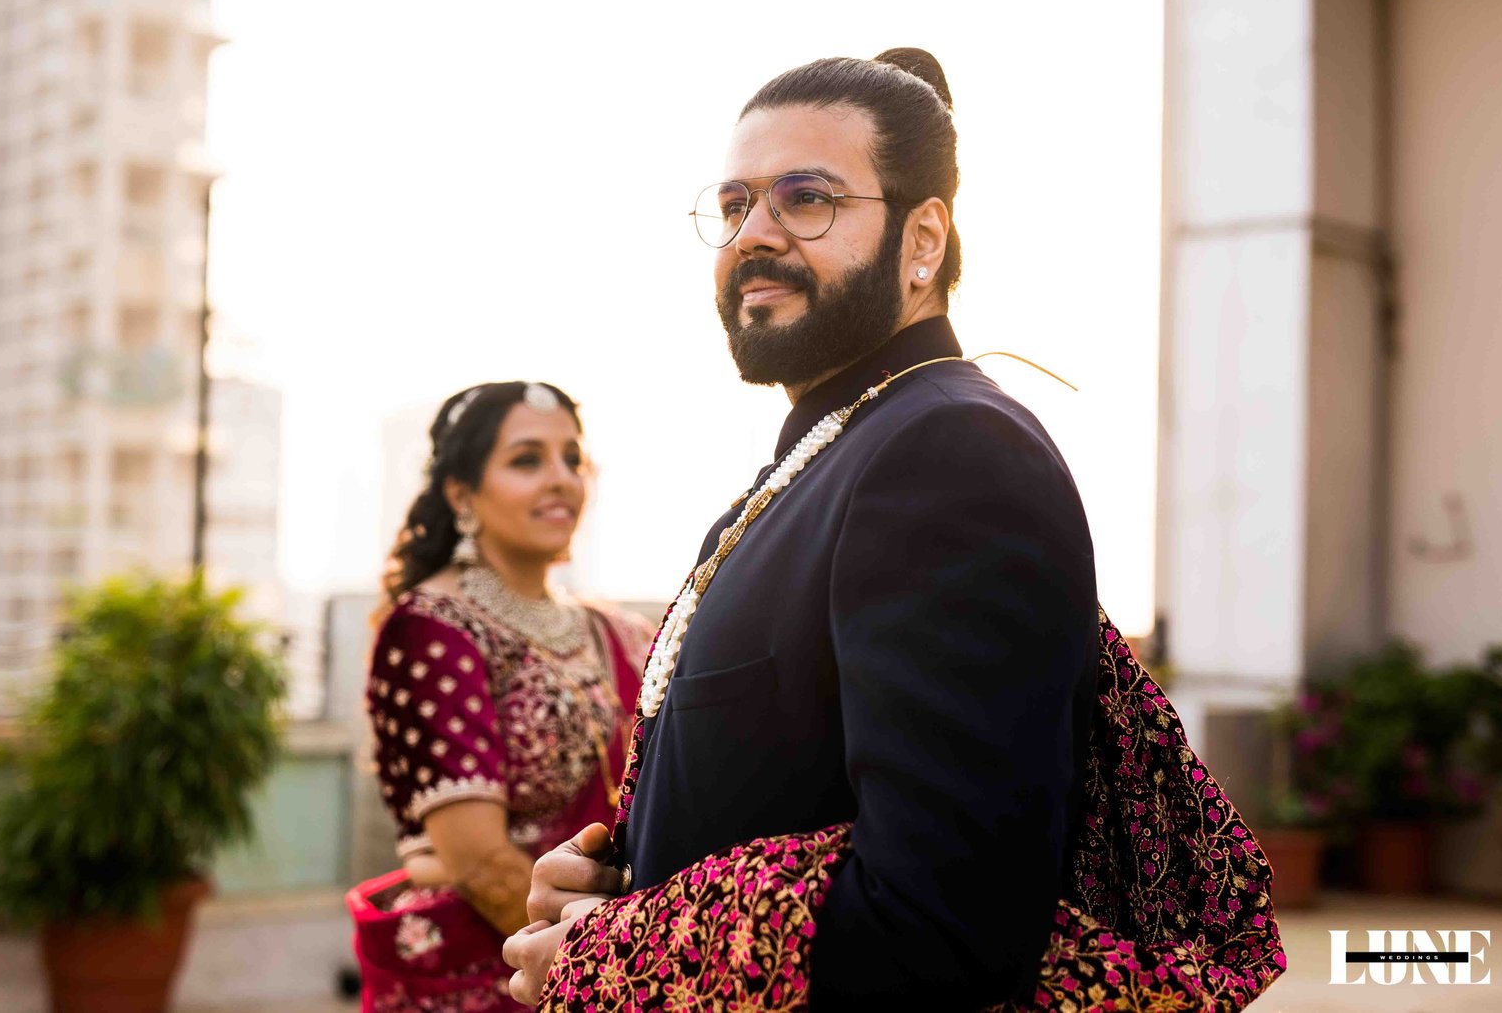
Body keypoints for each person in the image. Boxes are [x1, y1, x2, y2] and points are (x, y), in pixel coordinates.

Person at [503, 51, 1286, 1011]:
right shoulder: (826, 461)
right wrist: (606, 893)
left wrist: (615, 954)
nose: (755, 234)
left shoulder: (949, 453)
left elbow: (949, 921)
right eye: (735, 203)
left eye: (806, 199)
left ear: (923, 239)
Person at [346, 381, 651, 1012]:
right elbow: (480, 863)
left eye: (572, 458)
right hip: (504, 967)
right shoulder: (431, 628)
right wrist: (610, 974)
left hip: (605, 944)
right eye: (527, 459)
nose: (561, 478)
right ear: (462, 494)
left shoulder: (618, 630)